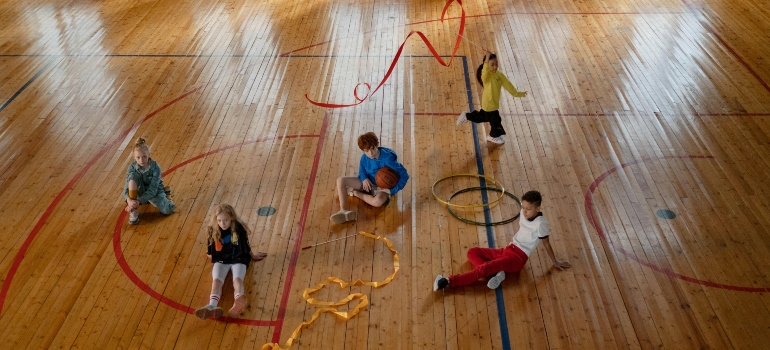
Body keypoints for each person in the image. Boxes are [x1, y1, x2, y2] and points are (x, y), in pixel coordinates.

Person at [433, 190, 570, 291]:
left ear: (538, 208)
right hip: (508, 249)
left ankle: (449, 281)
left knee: (485, 267)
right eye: (523, 207)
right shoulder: (524, 213)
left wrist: (555, 262)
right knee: (472, 252)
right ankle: (498, 273)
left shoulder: (541, 224)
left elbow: (546, 243)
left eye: (528, 209)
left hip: (518, 258)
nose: (524, 211)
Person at [194, 204, 267, 319]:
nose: (223, 223)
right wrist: (211, 254)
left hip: (238, 259)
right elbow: (210, 250)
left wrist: (253, 255)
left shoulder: (239, 229)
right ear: (215, 220)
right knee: (216, 282)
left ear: (232, 217)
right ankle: (212, 306)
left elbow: (245, 246)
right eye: (219, 220)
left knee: (237, 280)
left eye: (225, 220)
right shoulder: (212, 230)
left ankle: (238, 301)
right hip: (222, 261)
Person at [330, 132, 409, 224]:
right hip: (368, 184)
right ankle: (343, 211)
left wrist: (391, 191)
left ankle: (355, 193)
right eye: (366, 151)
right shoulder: (364, 158)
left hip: (382, 188)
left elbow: (405, 175)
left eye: (372, 149)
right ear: (363, 150)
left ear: (376, 145)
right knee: (341, 180)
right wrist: (364, 179)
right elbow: (362, 171)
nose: (370, 153)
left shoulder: (388, 159)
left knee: (377, 202)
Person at [457, 51, 527, 144]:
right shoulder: (486, 76)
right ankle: (493, 136)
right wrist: (486, 59)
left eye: (496, 64)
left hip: (493, 104)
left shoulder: (500, 75)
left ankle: (467, 116)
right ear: (487, 64)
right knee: (496, 121)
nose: (495, 67)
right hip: (489, 104)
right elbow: (485, 70)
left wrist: (518, 93)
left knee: (483, 117)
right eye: (492, 65)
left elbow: (508, 85)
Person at [123, 137, 175, 224]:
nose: (141, 160)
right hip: (139, 191)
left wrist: (139, 202)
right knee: (132, 176)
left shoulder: (156, 168)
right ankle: (133, 211)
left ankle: (167, 196)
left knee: (168, 210)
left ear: (149, 155)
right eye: (138, 157)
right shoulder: (131, 167)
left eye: (144, 157)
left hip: (153, 192)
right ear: (134, 157)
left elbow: (153, 190)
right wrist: (129, 201)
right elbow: (126, 187)